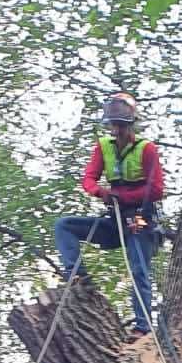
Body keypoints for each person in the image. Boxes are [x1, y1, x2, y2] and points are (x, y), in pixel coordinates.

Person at [54, 91, 166, 338]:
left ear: (130, 125)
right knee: (64, 226)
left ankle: (143, 327)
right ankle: (78, 276)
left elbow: (156, 189)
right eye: (113, 126)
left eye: (121, 126)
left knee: (138, 269)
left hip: (139, 220)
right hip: (114, 220)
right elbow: (89, 178)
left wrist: (124, 198)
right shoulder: (103, 147)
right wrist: (100, 192)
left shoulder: (146, 149)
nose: (116, 131)